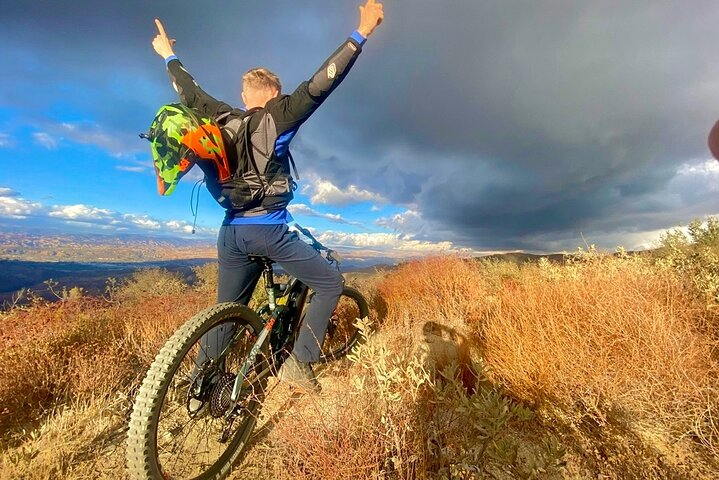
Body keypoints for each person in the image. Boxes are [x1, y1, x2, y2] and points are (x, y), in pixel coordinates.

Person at [152, 1, 384, 392]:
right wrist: (360, 34)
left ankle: (199, 385)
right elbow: (321, 84)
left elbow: (189, 91)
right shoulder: (279, 116)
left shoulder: (221, 116)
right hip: (268, 232)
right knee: (328, 283)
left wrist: (168, 54)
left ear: (244, 96)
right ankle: (298, 363)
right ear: (274, 92)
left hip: (230, 234)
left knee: (227, 314)